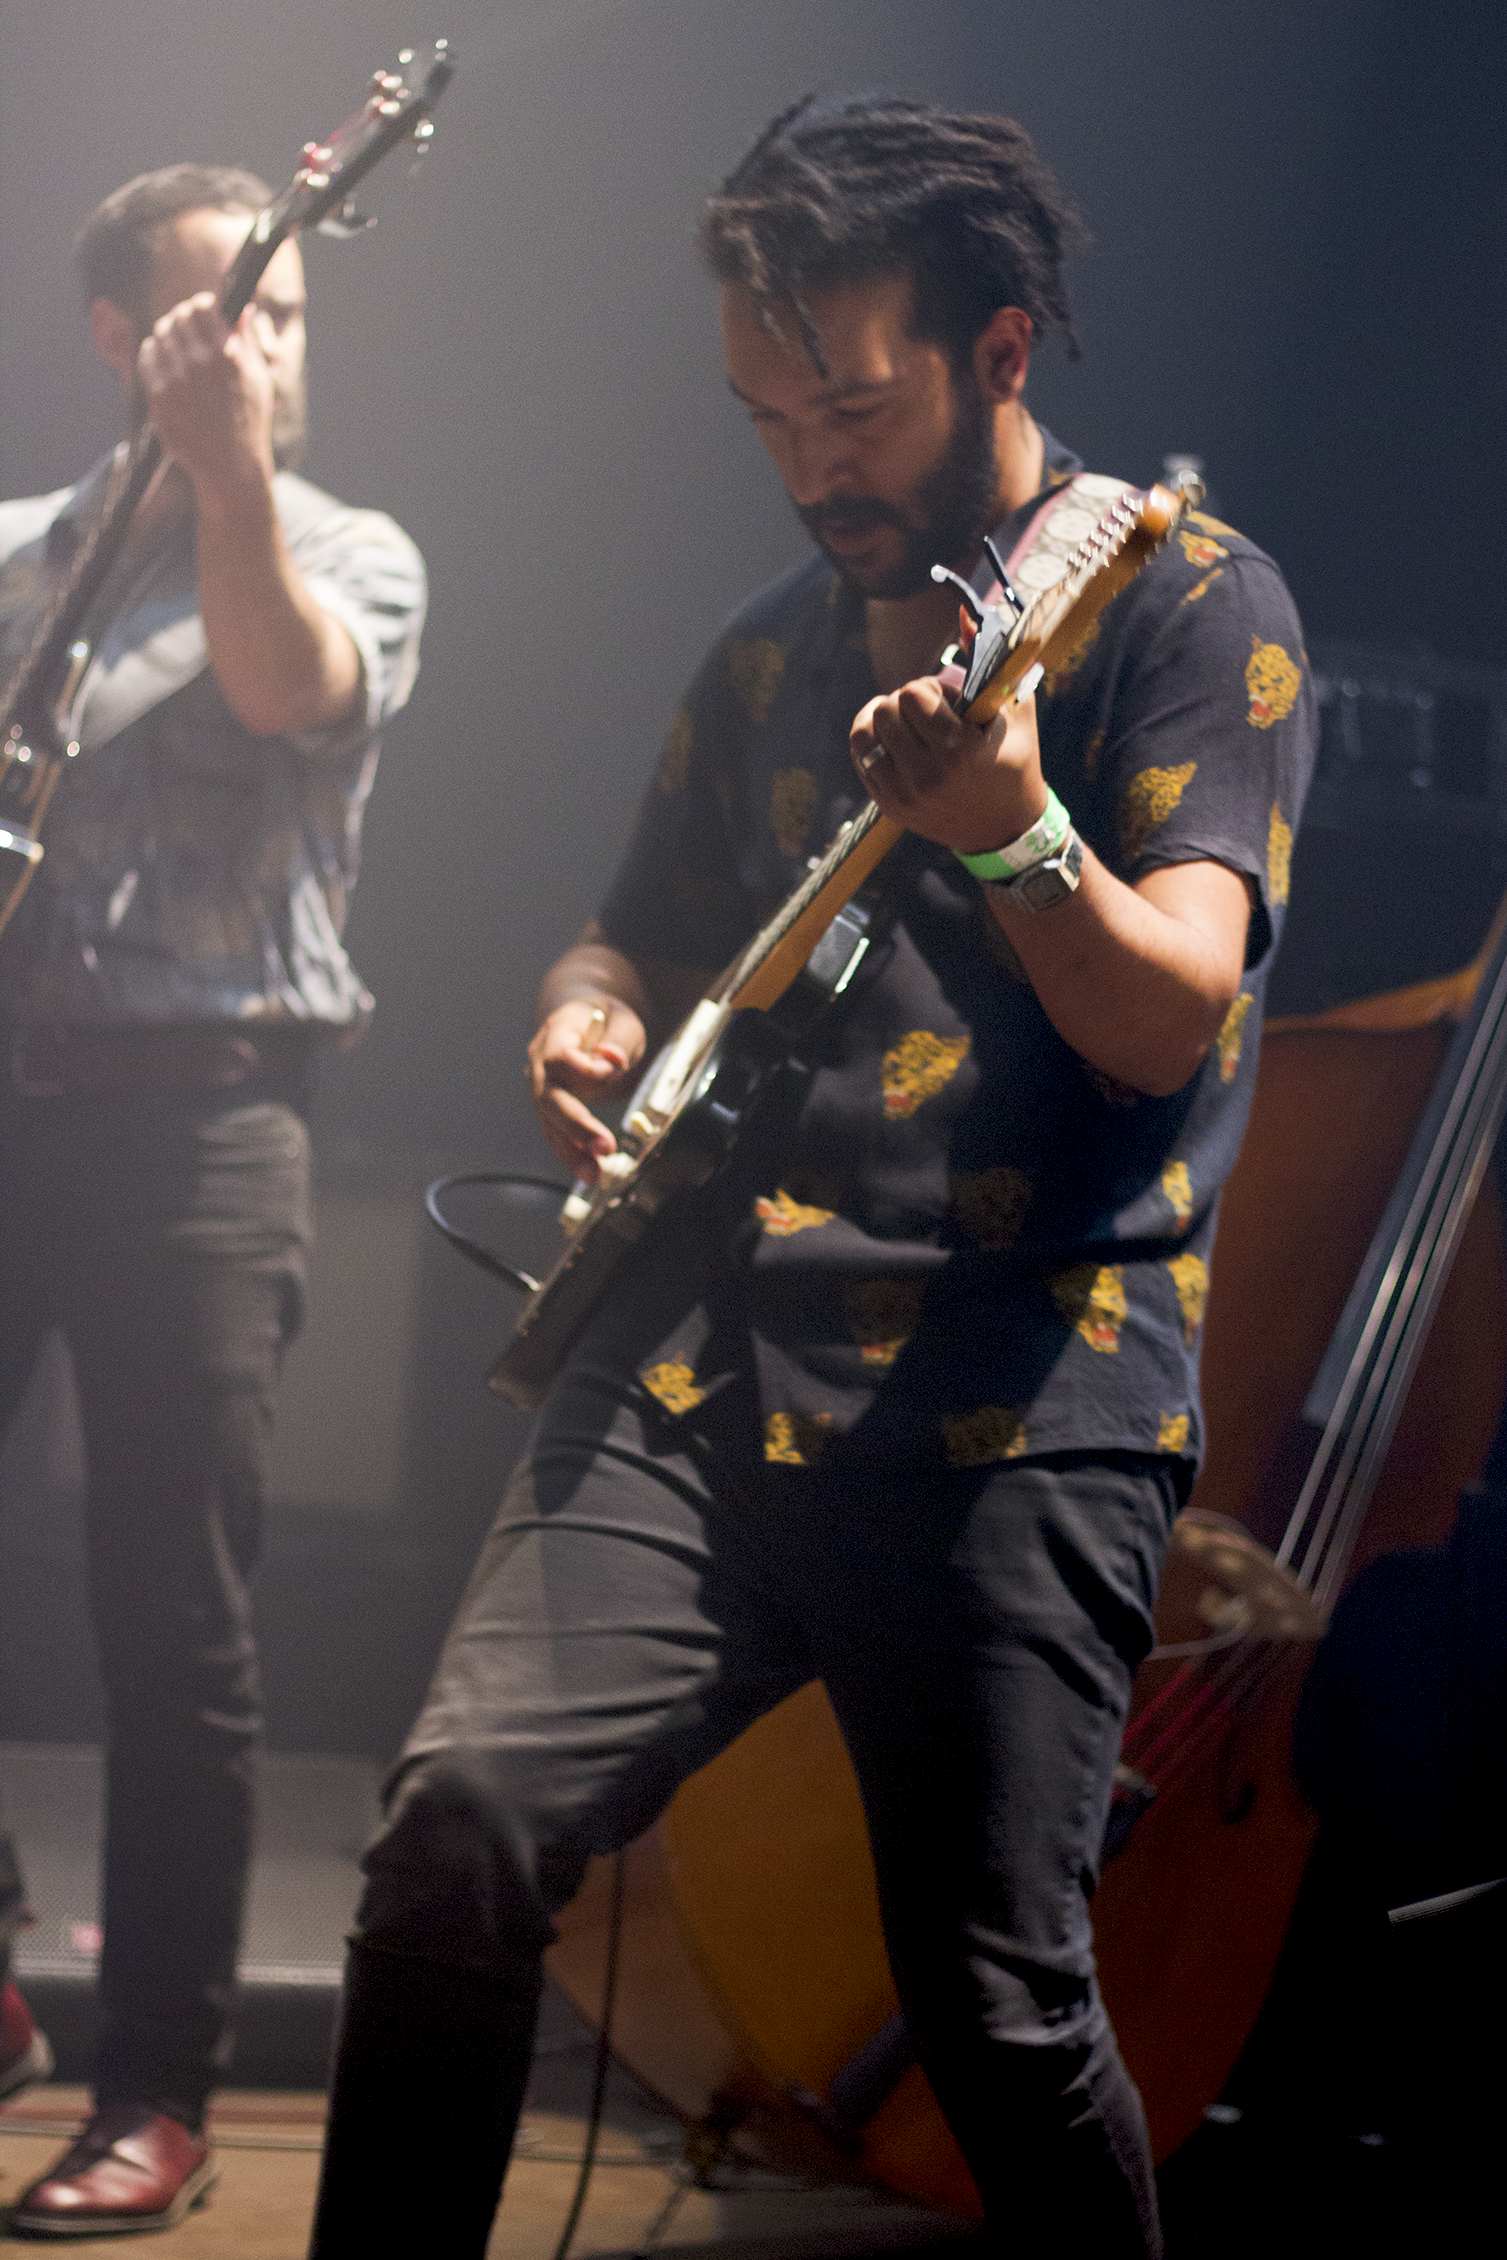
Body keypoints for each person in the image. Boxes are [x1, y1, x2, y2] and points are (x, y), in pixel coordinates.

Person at [308, 96, 1313, 2258]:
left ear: (1000, 349)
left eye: (850, 408)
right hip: (703, 1358)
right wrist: (583, 1020)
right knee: (458, 1828)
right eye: (766, 419)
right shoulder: (771, 641)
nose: (809, 466)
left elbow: (1169, 1017)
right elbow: (623, 935)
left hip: (1016, 1388)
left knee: (995, 1999)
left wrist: (1016, 829)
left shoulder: (1185, 602)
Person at [0, 164, 425, 2236]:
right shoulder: (17, 555)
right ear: (116, 334)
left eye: (287, 312)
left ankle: (157, 2088)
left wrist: (229, 467)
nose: (263, 343)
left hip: (204, 1130)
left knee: (171, 1628)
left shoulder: (348, 549)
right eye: (217, 312)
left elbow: (275, 685)